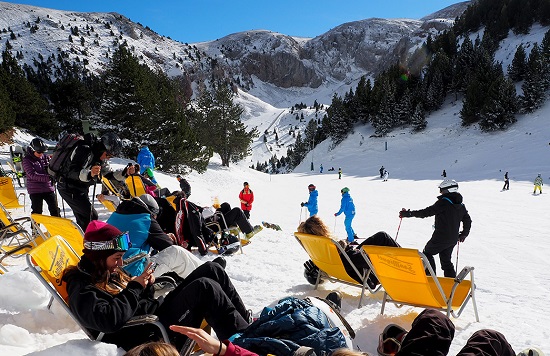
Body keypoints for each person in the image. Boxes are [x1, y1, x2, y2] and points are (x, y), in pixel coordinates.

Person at [62, 220, 250, 351]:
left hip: (154, 317)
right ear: (98, 257)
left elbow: (136, 301)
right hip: (150, 333)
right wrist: (135, 288)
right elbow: (108, 320)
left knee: (212, 269)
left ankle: (248, 332)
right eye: (116, 258)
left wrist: (147, 286)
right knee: (205, 288)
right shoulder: (81, 288)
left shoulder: (105, 271)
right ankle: (244, 348)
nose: (120, 264)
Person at [107, 194, 203, 279]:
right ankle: (206, 274)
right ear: (151, 212)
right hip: (131, 272)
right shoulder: (146, 219)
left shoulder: (115, 215)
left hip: (109, 268)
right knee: (177, 253)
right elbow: (167, 246)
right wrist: (165, 238)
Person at [57, 132, 131, 230]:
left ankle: (83, 241)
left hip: (80, 188)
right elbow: (72, 171)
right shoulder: (84, 149)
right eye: (108, 155)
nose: (107, 158)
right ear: (103, 147)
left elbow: (108, 174)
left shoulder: (99, 156)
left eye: (110, 157)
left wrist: (126, 172)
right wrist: (89, 174)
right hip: (68, 187)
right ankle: (88, 241)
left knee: (84, 219)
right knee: (91, 216)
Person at [299, 215, 399, 288]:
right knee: (384, 238)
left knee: (381, 236)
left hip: (348, 262)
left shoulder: (319, 250)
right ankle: (409, 264)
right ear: (322, 229)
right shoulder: (332, 247)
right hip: (364, 272)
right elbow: (366, 260)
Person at [399, 179, 472, 278]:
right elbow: (467, 220)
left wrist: (409, 214)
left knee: (427, 254)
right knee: (446, 260)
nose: (441, 192)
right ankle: (451, 285)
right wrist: (464, 234)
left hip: (441, 237)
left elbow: (426, 212)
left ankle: (430, 279)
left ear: (448, 190)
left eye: (442, 190)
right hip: (453, 239)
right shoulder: (461, 205)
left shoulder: (444, 202)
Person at [21, 137, 60, 216]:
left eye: (42, 152)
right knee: (37, 211)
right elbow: (32, 175)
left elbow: (51, 168)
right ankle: (35, 227)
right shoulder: (27, 160)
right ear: (32, 150)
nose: (41, 154)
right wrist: (48, 177)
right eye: (39, 152)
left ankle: (57, 227)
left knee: (55, 209)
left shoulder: (45, 157)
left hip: (48, 187)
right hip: (35, 190)